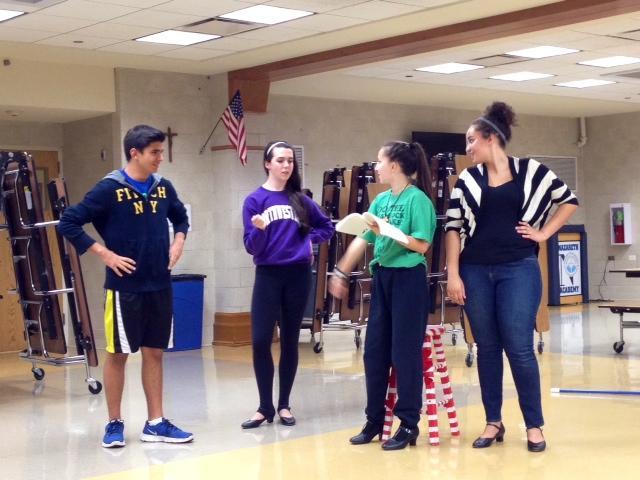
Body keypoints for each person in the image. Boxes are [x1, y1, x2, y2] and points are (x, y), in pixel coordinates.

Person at [445, 102, 578, 452]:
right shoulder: (467, 179)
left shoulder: (531, 171)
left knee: (519, 349)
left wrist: (544, 233)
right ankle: (493, 422)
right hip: (474, 270)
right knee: (487, 348)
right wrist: (454, 274)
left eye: (472, 140)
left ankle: (534, 426)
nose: (468, 147)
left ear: (492, 138)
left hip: (518, 268)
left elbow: (568, 200)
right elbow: (453, 228)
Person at [58, 125, 193, 448]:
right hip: (124, 288)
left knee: (154, 353)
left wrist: (178, 241)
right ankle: (114, 423)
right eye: (155, 153)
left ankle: (156, 423)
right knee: (117, 353)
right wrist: (104, 254)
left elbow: (180, 218)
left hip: (159, 284)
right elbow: (69, 222)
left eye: (161, 151)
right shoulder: (109, 189)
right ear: (135, 153)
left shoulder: (163, 187)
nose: (161, 158)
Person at [328, 141, 436, 451]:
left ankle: (409, 424)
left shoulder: (419, 201)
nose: (375, 166)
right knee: (374, 352)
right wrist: (341, 272)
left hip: (409, 280)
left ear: (395, 166)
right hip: (384, 279)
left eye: (380, 161)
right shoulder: (381, 200)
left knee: (405, 353)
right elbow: (362, 240)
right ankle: (374, 420)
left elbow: (421, 245)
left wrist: (388, 231)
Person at [241, 140, 334, 429]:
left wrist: (307, 240)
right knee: (259, 341)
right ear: (268, 164)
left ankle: (284, 405)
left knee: (291, 340)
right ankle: (263, 407)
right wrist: (259, 231)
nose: (285, 165)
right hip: (268, 275)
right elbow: (251, 247)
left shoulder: (301, 200)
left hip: (297, 275)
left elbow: (326, 227)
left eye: (290, 161)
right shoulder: (254, 201)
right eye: (280, 160)